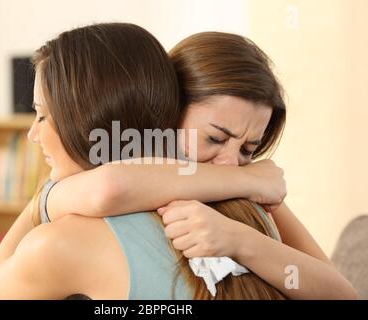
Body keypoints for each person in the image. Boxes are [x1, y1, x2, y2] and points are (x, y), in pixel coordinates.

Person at [39, 32, 356, 299]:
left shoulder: (252, 195)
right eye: (215, 139)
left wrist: (239, 241)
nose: (231, 164)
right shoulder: (249, 182)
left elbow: (343, 294)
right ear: (167, 112)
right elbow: (110, 186)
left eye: (249, 149)